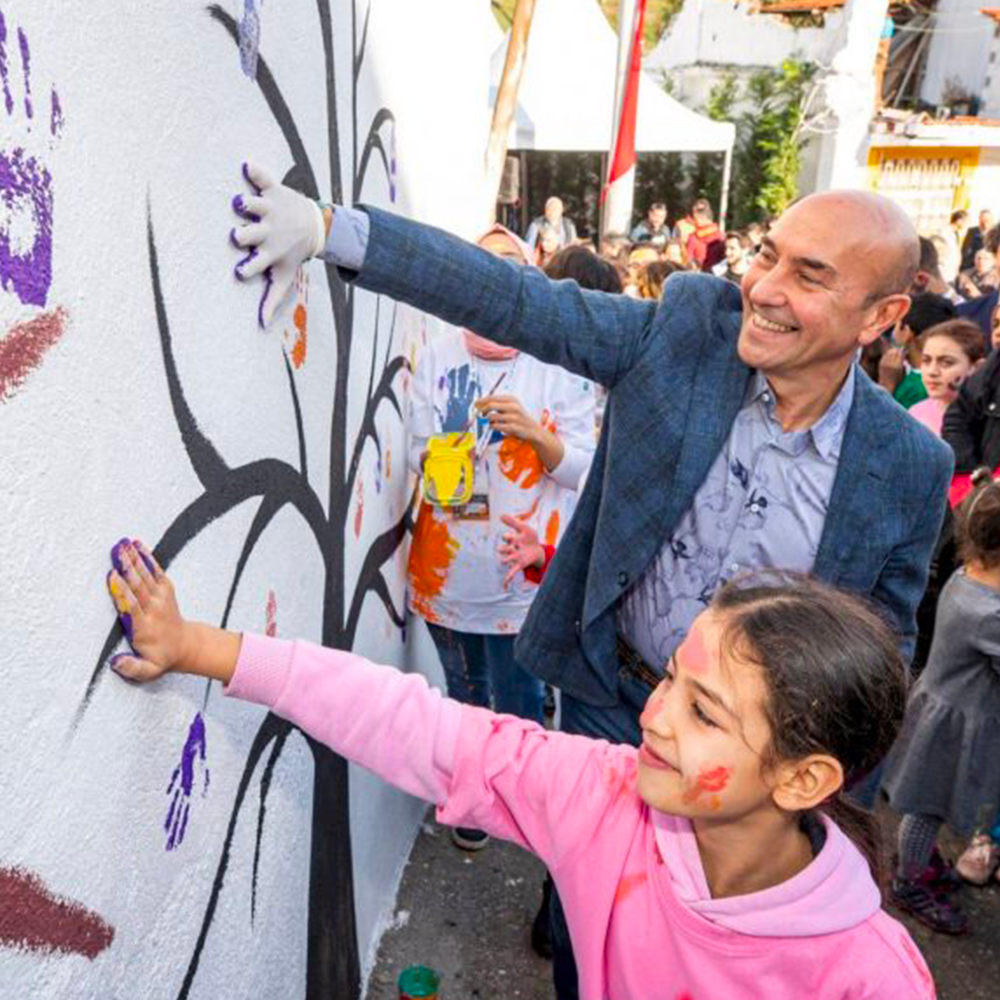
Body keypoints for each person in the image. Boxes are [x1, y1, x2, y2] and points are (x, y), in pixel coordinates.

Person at [229, 174, 953, 998]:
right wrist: (333, 230)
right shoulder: (688, 333)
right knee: (594, 926)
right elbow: (522, 302)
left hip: (751, 763)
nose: (763, 288)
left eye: (810, 275)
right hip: (613, 697)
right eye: (767, 256)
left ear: (883, 316)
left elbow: (882, 649)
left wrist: (809, 802)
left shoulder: (908, 466)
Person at [104, 548, 937, 1000]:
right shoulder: (603, 795)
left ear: (802, 780)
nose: (652, 717)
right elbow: (420, 727)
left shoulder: (868, 976)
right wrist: (200, 648)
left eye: (705, 713)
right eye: (668, 682)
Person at [407, 224, 596, 850]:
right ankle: (475, 802)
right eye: (479, 267)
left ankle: (522, 808)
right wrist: (440, 458)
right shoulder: (435, 356)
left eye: (507, 267)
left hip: (524, 573)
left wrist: (537, 437)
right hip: (446, 568)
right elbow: (412, 452)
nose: (492, 280)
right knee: (464, 698)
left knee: (520, 704)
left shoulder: (553, 362)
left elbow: (587, 469)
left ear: (526, 279)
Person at [883, 469, 1000, 934]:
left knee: (926, 806)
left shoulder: (965, 578)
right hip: (952, 728)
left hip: (944, 712)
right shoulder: (989, 613)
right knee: (925, 807)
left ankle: (918, 859)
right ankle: (909, 881)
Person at [877, 293, 957, 408]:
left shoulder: (914, 388)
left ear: (905, 331)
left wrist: (886, 384)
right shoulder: (947, 381)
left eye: (897, 325)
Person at [908, 319, 986, 438]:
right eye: (926, 360)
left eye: (946, 362)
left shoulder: (989, 419)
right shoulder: (916, 413)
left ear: (976, 367)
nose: (932, 371)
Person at [683, 198, 724, 271]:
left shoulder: (694, 237)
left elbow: (688, 259)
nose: (695, 222)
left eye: (696, 219)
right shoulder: (720, 236)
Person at [936, 209, 967, 285]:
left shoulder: (955, 234)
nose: (966, 225)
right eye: (966, 222)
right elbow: (940, 251)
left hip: (951, 273)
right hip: (944, 272)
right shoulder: (943, 232)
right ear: (959, 220)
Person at [960, 207, 994, 272]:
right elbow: (964, 250)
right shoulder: (972, 231)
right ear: (979, 220)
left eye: (987, 220)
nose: (984, 222)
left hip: (990, 269)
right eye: (983, 220)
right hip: (971, 267)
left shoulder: (996, 233)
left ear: (991, 220)